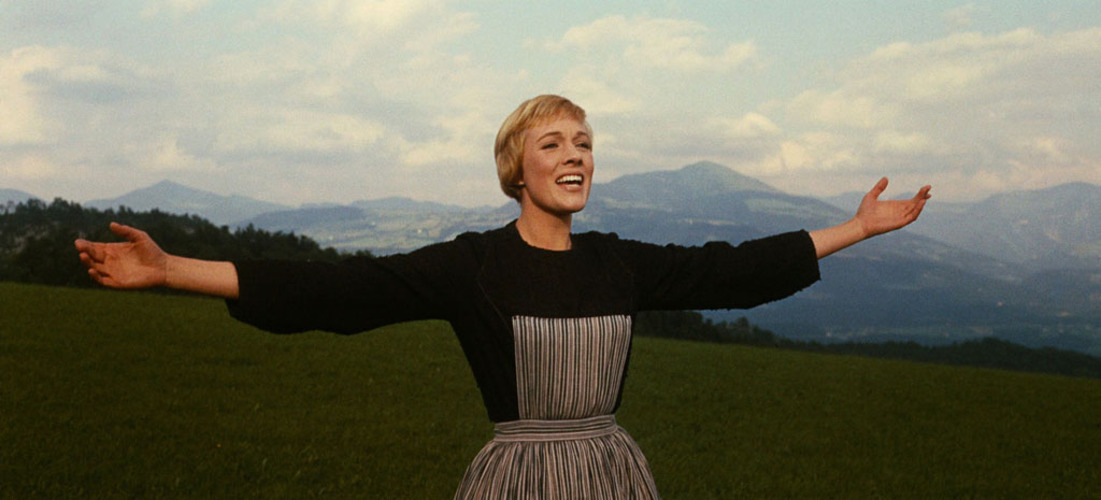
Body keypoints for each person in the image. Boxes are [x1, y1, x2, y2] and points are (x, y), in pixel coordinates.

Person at [75, 94, 931, 499]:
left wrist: (855, 228)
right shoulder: (472, 267)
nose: (575, 155)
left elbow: (732, 270)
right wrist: (171, 269)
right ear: (515, 169)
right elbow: (338, 291)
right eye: (552, 143)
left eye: (584, 142)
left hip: (613, 476)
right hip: (519, 480)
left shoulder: (619, 264)